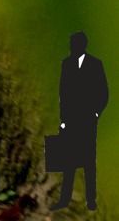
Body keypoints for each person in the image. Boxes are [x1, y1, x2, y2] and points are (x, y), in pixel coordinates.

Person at [59, 31, 108, 209]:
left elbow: (103, 92)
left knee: (88, 160)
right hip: (71, 119)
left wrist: (95, 113)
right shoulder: (66, 64)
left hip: (88, 119)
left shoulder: (95, 64)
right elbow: (63, 93)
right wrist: (63, 118)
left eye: (75, 43)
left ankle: (91, 199)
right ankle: (65, 198)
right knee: (68, 160)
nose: (72, 47)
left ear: (82, 45)